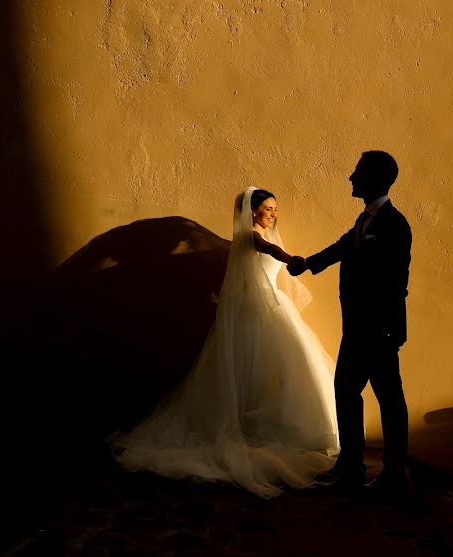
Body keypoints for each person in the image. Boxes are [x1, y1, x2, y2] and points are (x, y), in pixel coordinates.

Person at [111, 187, 339, 499]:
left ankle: (283, 426)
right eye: (268, 209)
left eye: (275, 209)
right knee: (257, 368)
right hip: (256, 311)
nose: (273, 214)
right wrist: (292, 259)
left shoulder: (267, 234)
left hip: (273, 306)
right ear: (253, 211)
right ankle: (254, 428)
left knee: (283, 369)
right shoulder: (250, 236)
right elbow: (270, 253)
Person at [288, 151, 412, 493]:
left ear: (373, 178)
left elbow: (395, 281)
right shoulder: (365, 221)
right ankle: (351, 467)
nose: (351, 178)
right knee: (346, 391)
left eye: (357, 172)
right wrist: (307, 264)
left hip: (377, 330)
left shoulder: (394, 224)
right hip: (358, 328)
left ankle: (393, 475)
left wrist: (387, 331)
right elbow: (342, 248)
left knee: (388, 399)